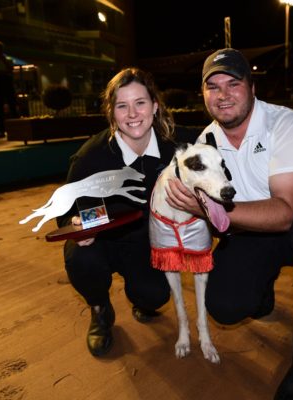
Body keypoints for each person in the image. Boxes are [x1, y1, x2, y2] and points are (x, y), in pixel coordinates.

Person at [165, 48, 293, 399]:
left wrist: (209, 212)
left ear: (251, 87)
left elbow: (286, 211)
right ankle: (260, 291)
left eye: (233, 84)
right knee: (224, 306)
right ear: (203, 94)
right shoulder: (205, 143)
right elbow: (197, 213)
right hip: (248, 230)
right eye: (213, 87)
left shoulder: (286, 123)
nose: (223, 95)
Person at [57, 67, 198, 357]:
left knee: (154, 296)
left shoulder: (175, 145)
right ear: (112, 113)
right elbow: (66, 208)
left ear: (155, 106)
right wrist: (76, 223)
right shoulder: (92, 155)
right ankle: (99, 310)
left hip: (146, 242)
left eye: (140, 103)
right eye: (122, 105)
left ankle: (141, 297)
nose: (132, 114)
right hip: (103, 242)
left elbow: (217, 140)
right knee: (80, 257)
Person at [0, 41, 19, 138]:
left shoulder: (9, 59)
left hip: (7, 83)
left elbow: (10, 70)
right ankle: (1, 130)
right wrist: (4, 72)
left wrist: (4, 63)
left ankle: (16, 128)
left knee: (12, 106)